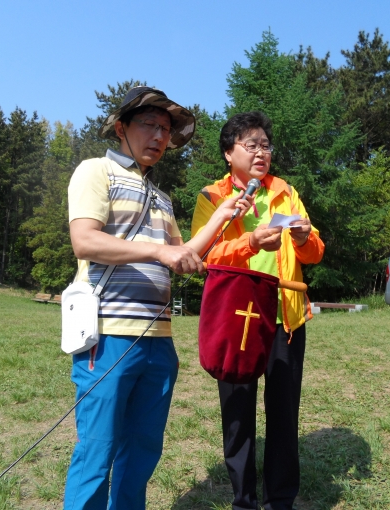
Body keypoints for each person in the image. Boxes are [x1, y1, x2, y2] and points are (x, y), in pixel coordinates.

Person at [65, 87, 251, 510]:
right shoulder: (96, 171)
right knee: (97, 451)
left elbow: (183, 255)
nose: (159, 136)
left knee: (143, 450)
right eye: (149, 124)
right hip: (108, 337)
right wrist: (158, 251)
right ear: (121, 128)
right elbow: (84, 241)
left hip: (159, 340)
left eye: (165, 129)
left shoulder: (162, 197)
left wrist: (222, 216)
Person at [191, 111, 325, 510]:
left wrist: (303, 238)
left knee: (284, 413)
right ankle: (243, 500)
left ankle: (280, 500)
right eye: (251, 145)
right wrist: (250, 242)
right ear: (228, 153)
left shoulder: (286, 192)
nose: (261, 152)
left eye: (266, 145)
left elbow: (315, 253)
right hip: (236, 319)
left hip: (284, 318)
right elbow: (204, 256)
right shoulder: (211, 197)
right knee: (237, 413)